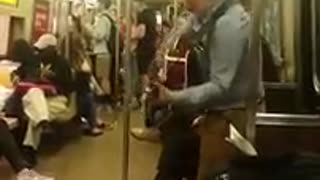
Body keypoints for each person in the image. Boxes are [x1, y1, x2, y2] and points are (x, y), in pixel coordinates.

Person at [155, 0, 263, 179]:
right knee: (175, 151)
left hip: (234, 118)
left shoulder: (228, 25)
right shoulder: (215, 18)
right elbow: (190, 34)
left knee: (207, 172)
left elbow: (221, 87)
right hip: (222, 112)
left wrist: (172, 97)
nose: (185, 3)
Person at [8, 34, 74, 166]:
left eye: (43, 50)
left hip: (57, 99)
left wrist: (51, 78)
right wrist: (15, 75)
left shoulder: (62, 64)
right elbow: (19, 72)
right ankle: (42, 121)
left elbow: (69, 88)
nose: (39, 52)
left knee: (34, 113)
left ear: (52, 49)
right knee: (34, 92)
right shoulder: (36, 60)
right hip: (38, 97)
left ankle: (29, 149)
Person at [70, 15, 105, 135]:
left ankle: (93, 120)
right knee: (89, 94)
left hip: (79, 71)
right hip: (78, 73)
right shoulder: (75, 39)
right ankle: (93, 123)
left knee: (90, 92)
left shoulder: (75, 38)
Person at [83, 0, 114, 106]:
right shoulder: (109, 18)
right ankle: (106, 97)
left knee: (103, 76)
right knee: (103, 76)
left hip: (102, 51)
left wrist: (88, 28)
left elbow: (99, 35)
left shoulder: (103, 19)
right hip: (104, 51)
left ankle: (105, 97)